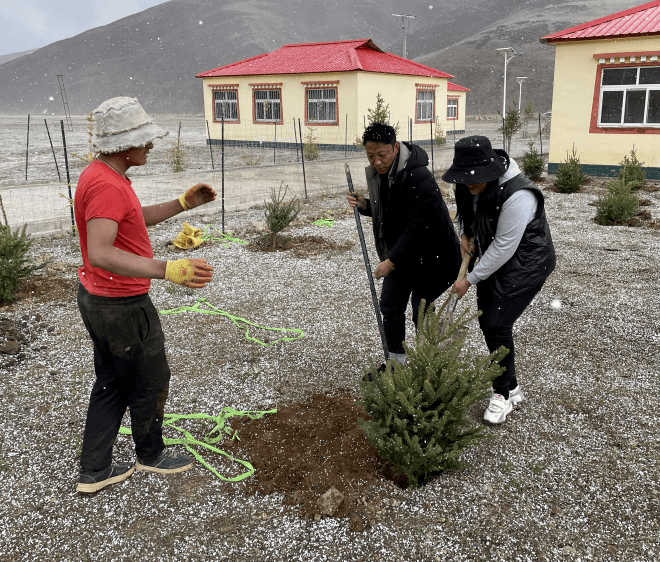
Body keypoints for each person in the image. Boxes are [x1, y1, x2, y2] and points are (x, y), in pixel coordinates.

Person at [74, 97, 217, 493]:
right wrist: (166, 269)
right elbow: (100, 251)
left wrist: (183, 203)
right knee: (150, 379)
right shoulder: (105, 184)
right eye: (145, 140)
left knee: (111, 379)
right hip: (121, 305)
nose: (151, 146)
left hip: (98, 297)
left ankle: (94, 468)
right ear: (123, 144)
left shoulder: (102, 175)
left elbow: (130, 219)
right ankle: (151, 454)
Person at [443, 135, 556, 424]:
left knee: (497, 322)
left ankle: (502, 395)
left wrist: (469, 279)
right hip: (497, 258)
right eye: (465, 179)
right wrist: (466, 236)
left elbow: (504, 247)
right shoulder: (471, 185)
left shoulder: (520, 195)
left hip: (527, 264)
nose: (470, 185)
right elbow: (469, 214)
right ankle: (513, 386)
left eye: (476, 179)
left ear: (492, 171)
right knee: (487, 321)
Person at [347, 122, 461, 364]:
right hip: (405, 253)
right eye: (370, 156)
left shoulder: (418, 176)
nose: (376, 161)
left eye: (381, 155)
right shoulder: (382, 175)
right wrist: (366, 205)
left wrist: (390, 261)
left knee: (421, 309)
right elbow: (391, 212)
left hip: (433, 255)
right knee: (390, 305)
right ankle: (395, 364)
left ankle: (427, 366)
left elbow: (416, 227)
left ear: (395, 148)